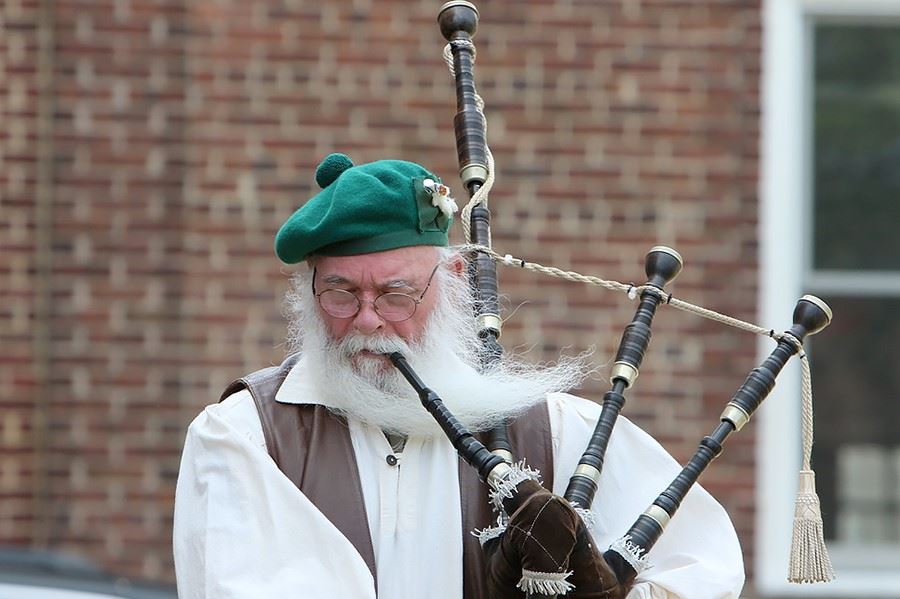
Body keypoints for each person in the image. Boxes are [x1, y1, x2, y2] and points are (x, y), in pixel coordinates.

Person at [173, 154, 745, 598]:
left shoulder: (552, 433)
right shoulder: (247, 435)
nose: (368, 319)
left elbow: (701, 569)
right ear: (309, 290)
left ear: (451, 279)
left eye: (396, 293)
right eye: (340, 292)